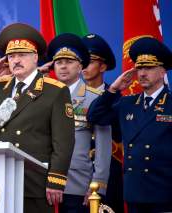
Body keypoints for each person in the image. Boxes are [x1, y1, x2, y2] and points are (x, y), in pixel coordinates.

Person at [0, 23, 75, 213]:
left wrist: (56, 179)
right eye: (11, 56)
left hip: (33, 182)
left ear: (35, 57)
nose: (16, 61)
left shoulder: (54, 91)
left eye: (22, 55)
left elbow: (63, 141)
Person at [87, 37, 172, 213]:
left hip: (164, 193)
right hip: (134, 193)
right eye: (139, 68)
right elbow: (95, 116)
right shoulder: (128, 103)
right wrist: (112, 90)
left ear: (163, 71)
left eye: (148, 68)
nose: (142, 73)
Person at [46, 33, 112, 212]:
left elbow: (103, 148)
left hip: (78, 186)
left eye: (69, 61)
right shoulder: (43, 97)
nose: (63, 66)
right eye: (59, 62)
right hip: (44, 184)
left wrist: (97, 186)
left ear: (80, 66)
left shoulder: (95, 99)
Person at [82, 33, 124, 213]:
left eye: (89, 61)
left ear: (103, 66)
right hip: (77, 173)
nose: (84, 66)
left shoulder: (116, 99)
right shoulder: (68, 96)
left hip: (108, 174)